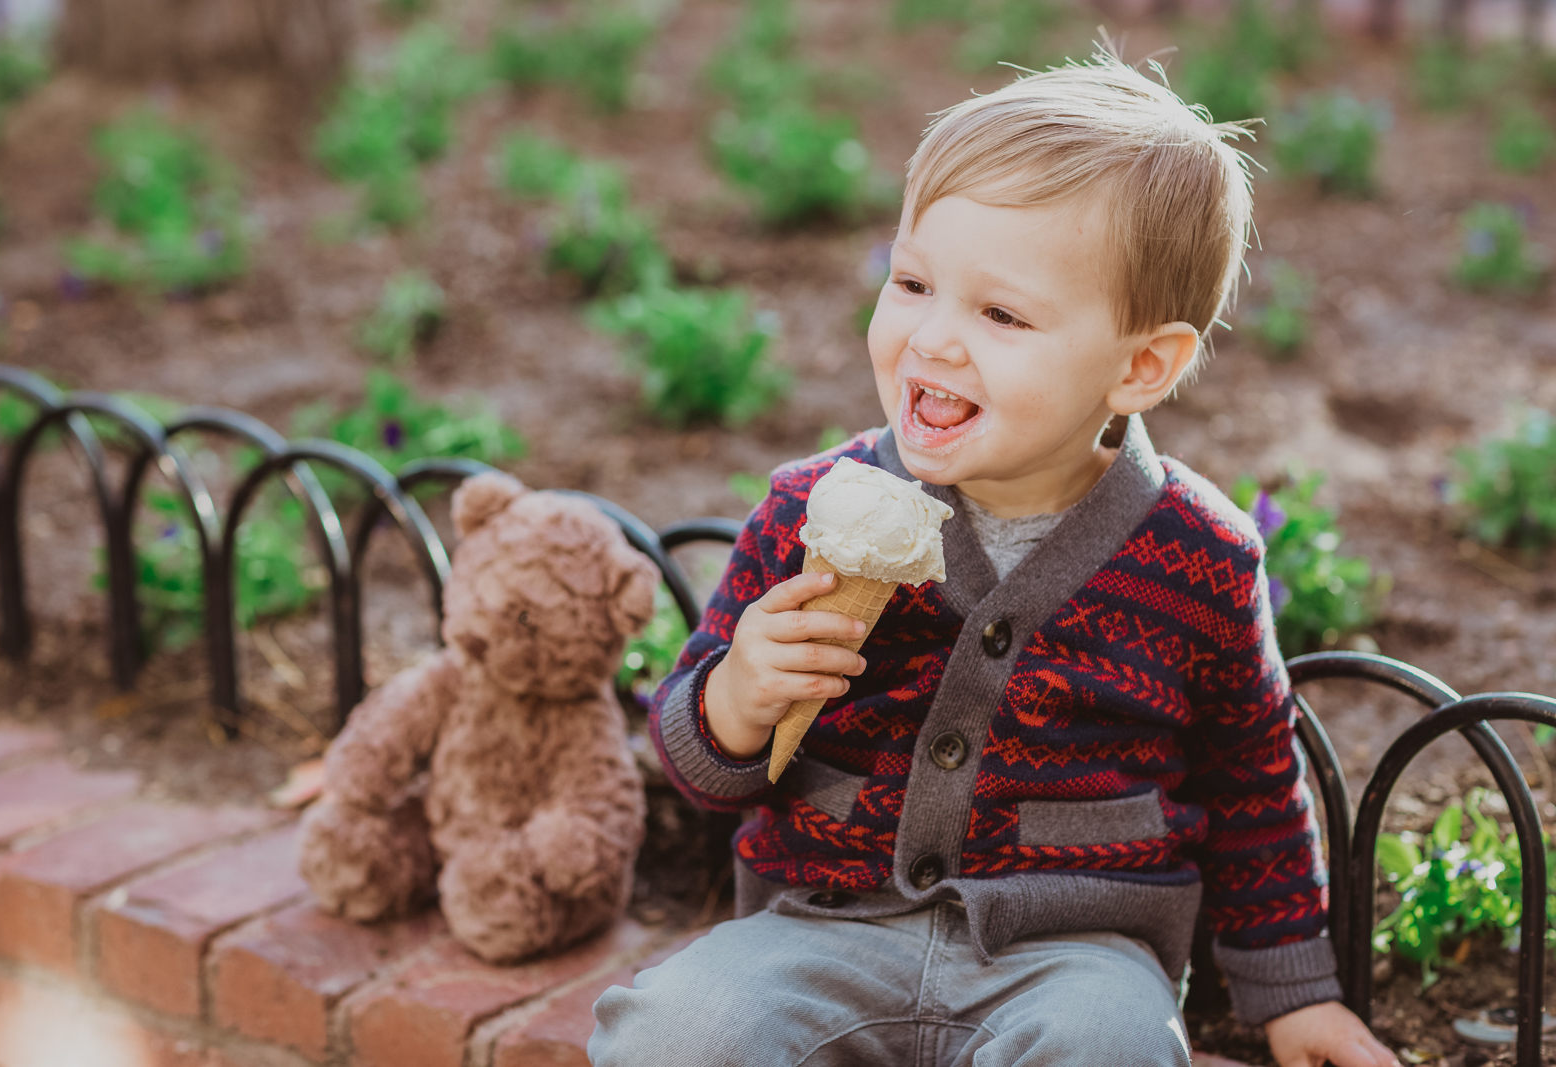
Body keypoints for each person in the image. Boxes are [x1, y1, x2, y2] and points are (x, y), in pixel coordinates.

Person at [590, 48, 1399, 1067]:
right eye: (913, 281)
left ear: (1140, 365)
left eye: (1000, 313)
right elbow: (693, 757)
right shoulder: (810, 506)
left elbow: (1251, 784)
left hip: (1074, 954)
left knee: (1109, 1045)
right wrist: (739, 696)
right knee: (678, 1027)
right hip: (821, 926)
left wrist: (1293, 993)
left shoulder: (1199, 556)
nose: (931, 337)